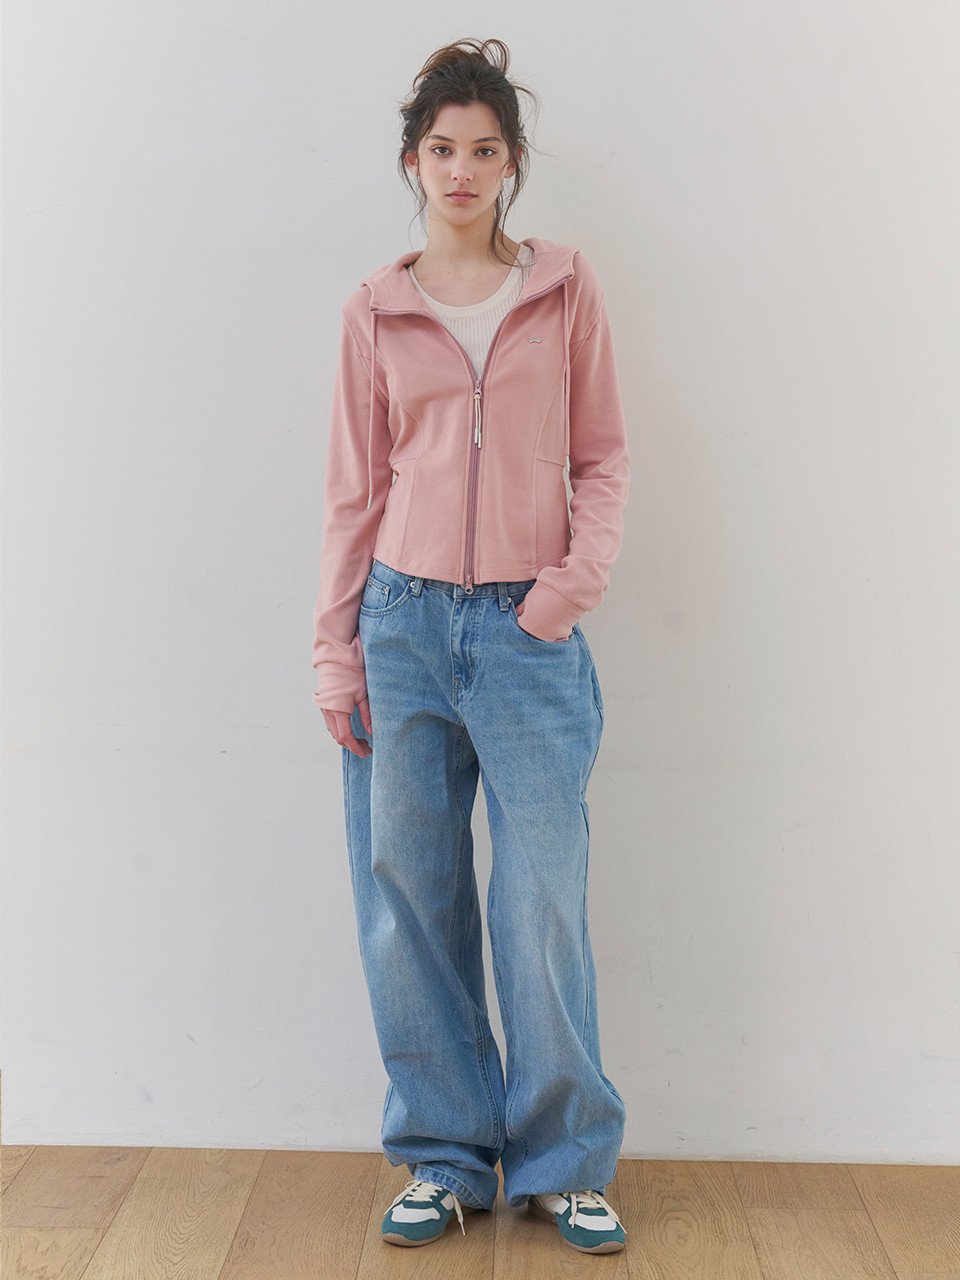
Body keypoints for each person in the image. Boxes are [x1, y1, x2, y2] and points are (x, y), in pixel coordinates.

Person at [310, 37, 630, 1255]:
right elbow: (353, 491)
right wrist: (335, 650)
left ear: (511, 164)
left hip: (527, 632)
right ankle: (444, 1153)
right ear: (413, 160)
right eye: (442, 148)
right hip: (399, 626)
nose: (461, 168)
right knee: (409, 897)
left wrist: (563, 592)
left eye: (484, 149)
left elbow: (603, 456)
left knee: (541, 896)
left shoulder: (565, 289)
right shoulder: (374, 308)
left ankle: (562, 1161)